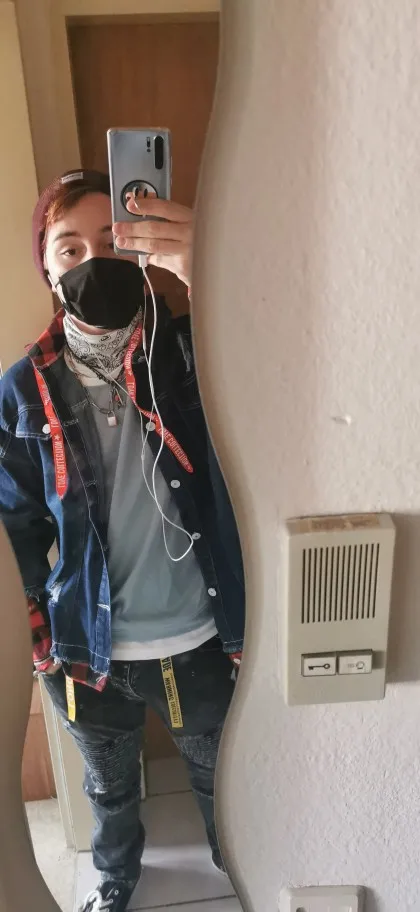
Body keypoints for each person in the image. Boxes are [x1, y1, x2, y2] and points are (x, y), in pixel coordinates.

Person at [0, 170, 245, 912]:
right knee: (108, 788)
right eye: (70, 248)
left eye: (112, 243)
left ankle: (242, 866)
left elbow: (282, 359)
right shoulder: (23, 389)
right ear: (48, 269)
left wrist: (212, 269)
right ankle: (115, 879)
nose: (91, 261)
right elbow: (15, 526)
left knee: (221, 778)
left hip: (198, 639)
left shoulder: (199, 349)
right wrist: (37, 636)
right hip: (85, 651)